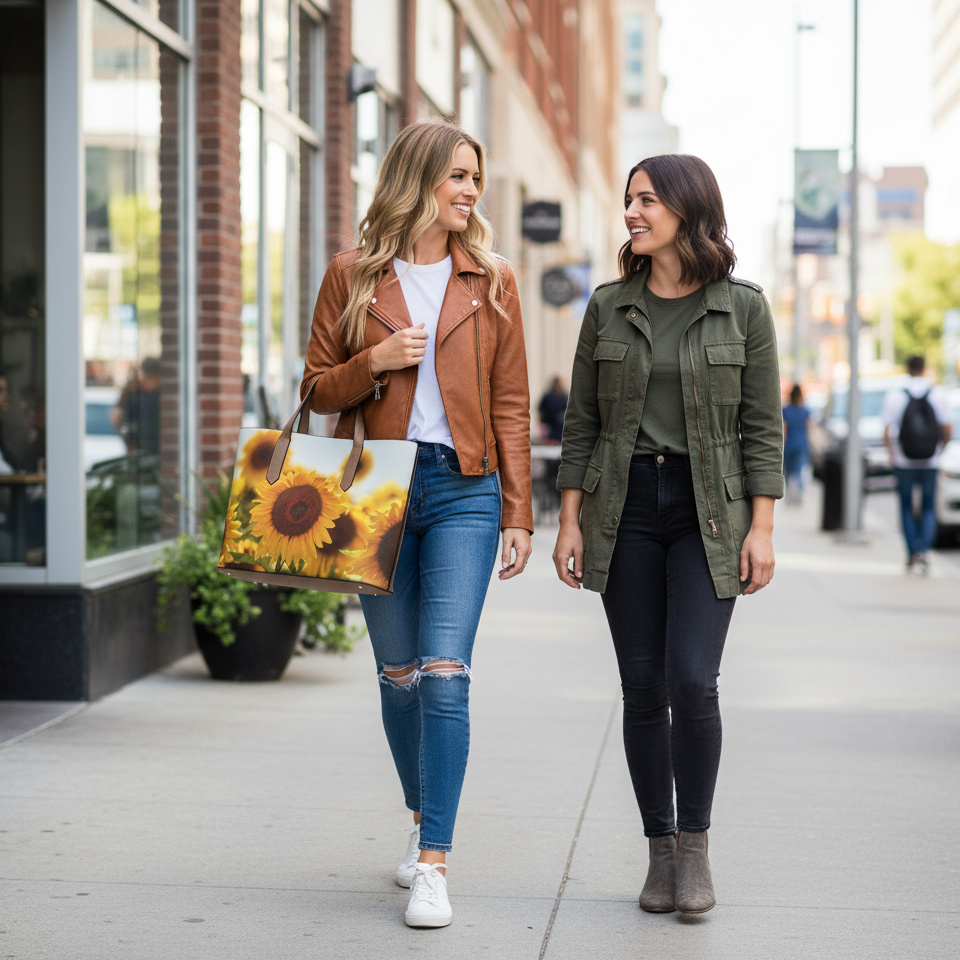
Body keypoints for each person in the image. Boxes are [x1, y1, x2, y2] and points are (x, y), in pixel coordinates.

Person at [300, 120, 533, 929]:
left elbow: (510, 403)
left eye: (476, 178)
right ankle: (418, 818)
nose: (471, 191)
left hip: (464, 489)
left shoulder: (492, 280)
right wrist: (376, 363)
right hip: (377, 490)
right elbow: (317, 390)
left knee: (445, 672)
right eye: (458, 177)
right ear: (418, 179)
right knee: (398, 674)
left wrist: (519, 512)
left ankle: (435, 861)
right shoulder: (352, 275)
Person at [552, 154, 784, 915]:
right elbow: (581, 422)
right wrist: (569, 520)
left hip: (706, 511)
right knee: (643, 686)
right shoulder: (608, 306)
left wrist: (763, 529)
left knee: (693, 680)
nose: (632, 212)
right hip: (625, 509)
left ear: (688, 207)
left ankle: (697, 846)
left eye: (647, 199)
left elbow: (761, 428)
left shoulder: (742, 308)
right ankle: (660, 851)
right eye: (629, 200)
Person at [881, 355, 952, 574]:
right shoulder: (938, 394)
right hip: (930, 461)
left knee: (906, 507)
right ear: (925, 368)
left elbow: (886, 431)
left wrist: (893, 454)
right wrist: (939, 450)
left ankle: (911, 551)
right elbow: (948, 428)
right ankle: (924, 550)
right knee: (929, 506)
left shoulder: (896, 395)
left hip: (904, 461)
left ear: (907, 369)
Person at [782, 383, 810, 505]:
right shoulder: (805, 411)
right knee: (798, 471)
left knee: (787, 471)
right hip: (801, 444)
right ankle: (798, 496)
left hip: (788, 445)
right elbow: (809, 428)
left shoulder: (785, 410)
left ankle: (788, 495)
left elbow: (784, 429)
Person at [538, 375, 568, 443]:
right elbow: (540, 412)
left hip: (562, 427)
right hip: (551, 428)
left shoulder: (566, 398)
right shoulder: (547, 397)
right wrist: (542, 427)